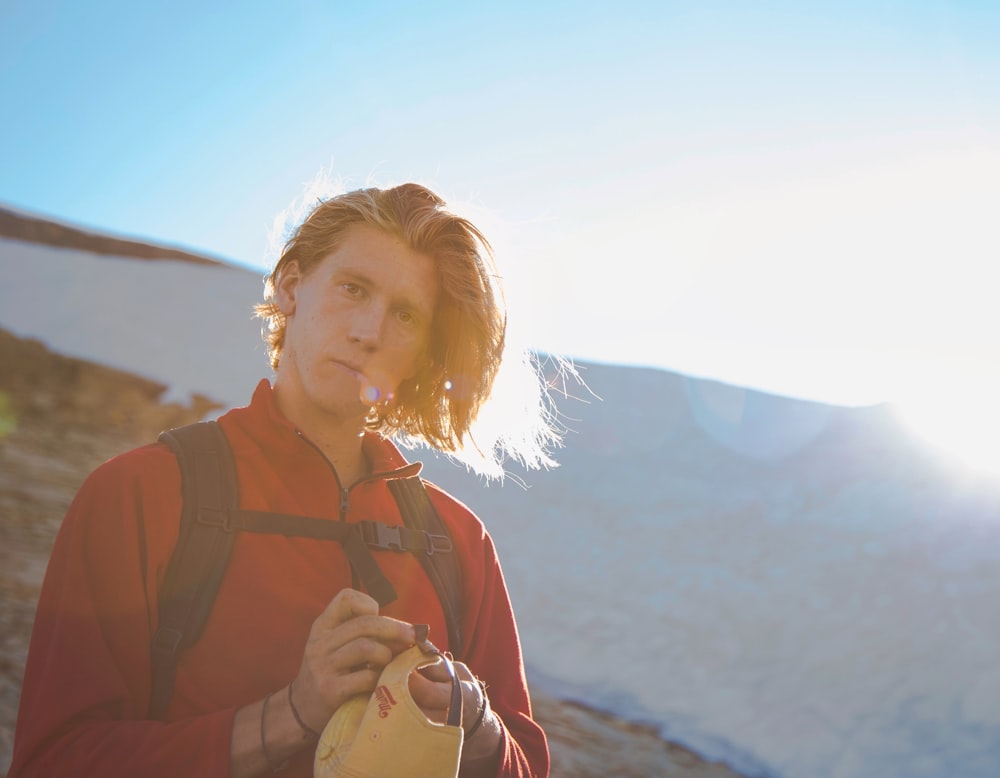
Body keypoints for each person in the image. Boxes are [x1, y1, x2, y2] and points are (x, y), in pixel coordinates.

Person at [10, 183, 556, 777]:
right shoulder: (141, 493)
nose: (370, 331)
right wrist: (290, 715)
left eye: (405, 314)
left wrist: (476, 728)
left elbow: (524, 767)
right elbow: (54, 761)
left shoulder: (457, 540)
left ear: (424, 350)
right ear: (291, 286)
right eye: (353, 289)